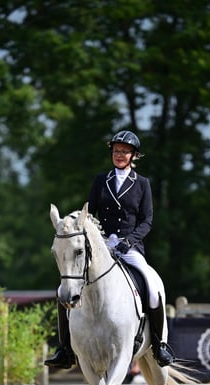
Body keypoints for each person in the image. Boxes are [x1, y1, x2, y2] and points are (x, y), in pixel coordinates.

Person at [45, 129, 175, 368]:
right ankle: (65, 349)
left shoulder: (142, 184)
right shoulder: (100, 181)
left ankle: (160, 344)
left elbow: (147, 221)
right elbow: (89, 214)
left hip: (130, 247)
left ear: (133, 155)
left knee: (154, 288)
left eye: (125, 152)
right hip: (102, 247)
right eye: (117, 151)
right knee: (63, 289)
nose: (120, 155)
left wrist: (128, 242)